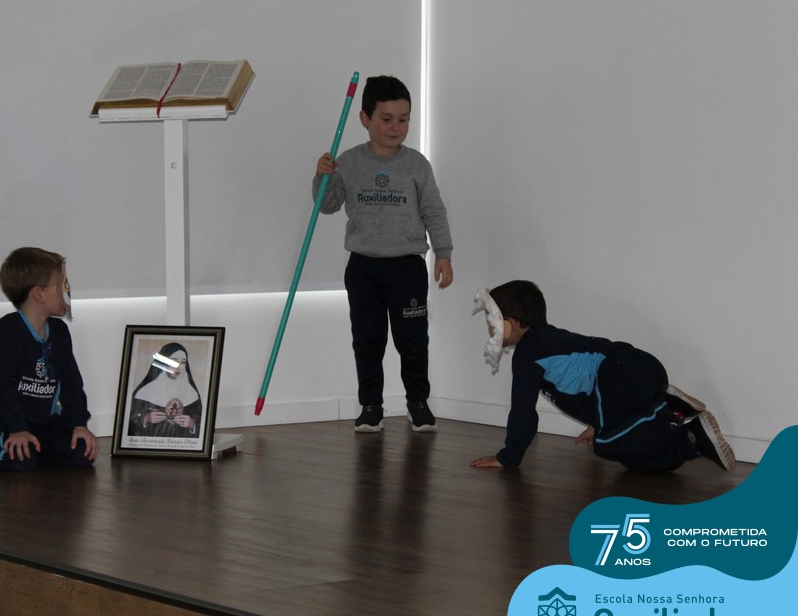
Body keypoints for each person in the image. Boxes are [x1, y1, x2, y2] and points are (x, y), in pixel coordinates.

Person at [469, 280, 735, 472]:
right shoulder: (547, 341)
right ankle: (671, 413)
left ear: (513, 323)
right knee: (632, 457)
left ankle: (691, 434)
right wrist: (598, 421)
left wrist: (508, 457)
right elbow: (584, 382)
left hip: (621, 372)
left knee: (608, 443)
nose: (489, 328)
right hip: (637, 369)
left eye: (492, 321)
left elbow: (523, 412)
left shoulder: (528, 353)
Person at [313, 75, 453, 433]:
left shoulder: (417, 164)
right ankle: (371, 405)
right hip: (363, 268)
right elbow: (327, 205)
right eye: (386, 119)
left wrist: (443, 252)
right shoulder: (348, 162)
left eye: (403, 119)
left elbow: (434, 211)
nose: (396, 127)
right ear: (365, 118)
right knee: (367, 340)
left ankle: (417, 401)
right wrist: (322, 176)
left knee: (413, 339)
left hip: (407, 268)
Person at [0, 247, 99, 471]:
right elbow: (3, 384)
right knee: (23, 460)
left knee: (81, 454)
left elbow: (71, 382)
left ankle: (37, 448)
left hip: (45, 422)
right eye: (62, 285)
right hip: (8, 420)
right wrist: (17, 428)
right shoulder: (8, 328)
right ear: (39, 294)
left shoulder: (59, 331)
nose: (67, 290)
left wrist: (79, 424)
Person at [128, 342, 202, 438]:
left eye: (183, 362)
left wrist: (192, 425)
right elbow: (130, 422)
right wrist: (146, 419)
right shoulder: (144, 392)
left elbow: (202, 424)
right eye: (174, 361)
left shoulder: (192, 394)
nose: (179, 366)